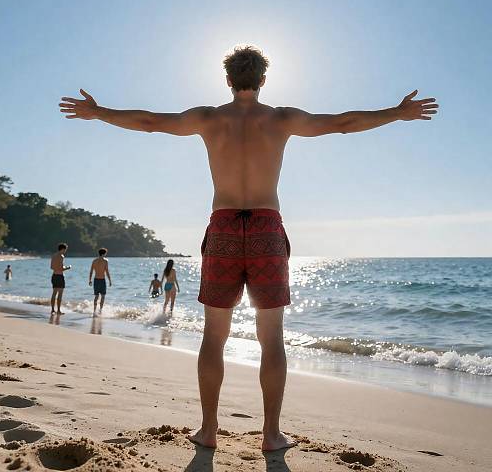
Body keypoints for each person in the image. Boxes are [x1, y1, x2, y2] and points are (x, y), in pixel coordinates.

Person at [60, 45, 438, 451]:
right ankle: (271, 435)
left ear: (227, 80)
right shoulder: (281, 119)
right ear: (263, 80)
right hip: (266, 227)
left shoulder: (209, 118)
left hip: (223, 226)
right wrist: (396, 113)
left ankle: (208, 430)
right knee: (271, 336)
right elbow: (344, 123)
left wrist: (99, 112)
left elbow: (151, 122)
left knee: (214, 335)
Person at [89, 248, 112, 314]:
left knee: (96, 296)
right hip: (102, 280)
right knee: (103, 296)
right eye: (106, 253)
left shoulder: (94, 261)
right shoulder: (105, 261)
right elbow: (107, 271)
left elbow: (91, 272)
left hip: (96, 280)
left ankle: (94, 311)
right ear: (104, 253)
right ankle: (100, 311)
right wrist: (110, 280)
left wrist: (90, 280)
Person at [50, 243, 71, 314]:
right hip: (59, 276)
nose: (65, 251)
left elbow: (52, 267)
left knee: (54, 293)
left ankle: (53, 310)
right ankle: (58, 310)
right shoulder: (61, 256)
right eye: (65, 249)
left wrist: (59, 268)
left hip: (54, 275)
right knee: (60, 294)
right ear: (63, 249)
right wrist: (68, 267)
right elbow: (61, 268)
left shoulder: (53, 256)